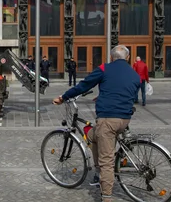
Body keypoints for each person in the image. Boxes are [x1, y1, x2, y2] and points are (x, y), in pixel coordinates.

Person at [53, 45, 140, 200]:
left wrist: (63, 97)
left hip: (108, 119)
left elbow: (84, 85)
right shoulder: (134, 74)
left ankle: (106, 196)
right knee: (93, 135)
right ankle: (99, 173)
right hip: (125, 119)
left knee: (106, 160)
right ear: (128, 58)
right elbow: (127, 92)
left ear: (112, 57)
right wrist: (104, 97)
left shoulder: (104, 68)